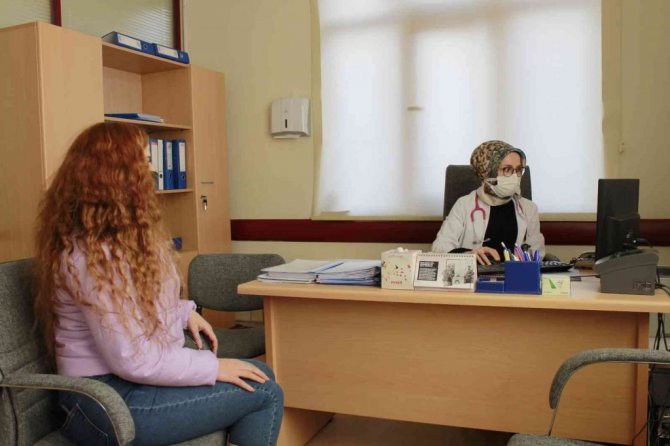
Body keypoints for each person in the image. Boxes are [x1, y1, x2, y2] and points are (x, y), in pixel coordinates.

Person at [34, 122, 284, 446]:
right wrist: (212, 367)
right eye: (144, 161)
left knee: (260, 375)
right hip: (102, 403)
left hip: (125, 386)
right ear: (118, 177)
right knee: (264, 392)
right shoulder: (89, 258)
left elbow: (138, 301)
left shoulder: (115, 241)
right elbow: (134, 359)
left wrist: (183, 313)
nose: (152, 172)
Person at [432, 140, 545, 265]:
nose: (515, 176)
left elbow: (537, 254)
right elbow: (439, 249)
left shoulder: (528, 208)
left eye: (518, 170)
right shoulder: (464, 205)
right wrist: (469, 255)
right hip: (475, 274)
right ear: (486, 172)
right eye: (507, 169)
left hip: (515, 275)